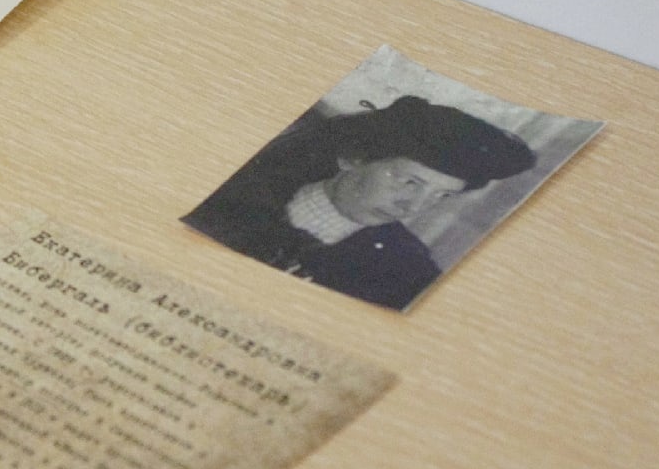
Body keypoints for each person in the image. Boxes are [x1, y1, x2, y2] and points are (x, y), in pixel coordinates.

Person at [182, 95, 536, 310]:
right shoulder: (237, 187)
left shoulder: (406, 273)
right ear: (354, 158)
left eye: (440, 195)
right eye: (410, 182)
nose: (412, 206)